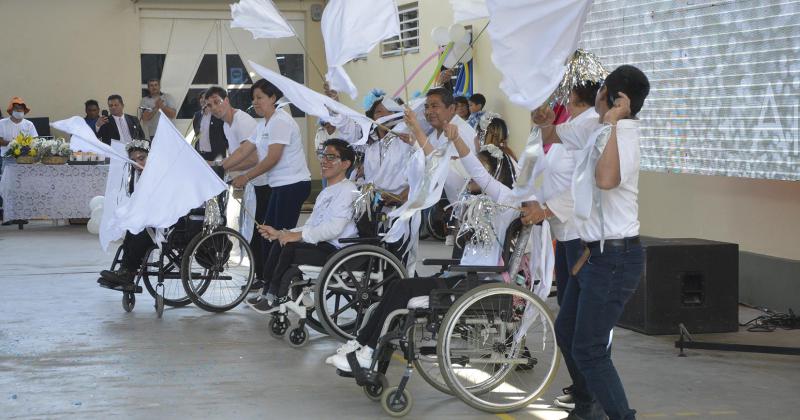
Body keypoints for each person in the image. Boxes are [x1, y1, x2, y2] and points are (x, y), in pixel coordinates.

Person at [327, 121, 518, 371]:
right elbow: (440, 166)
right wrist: (417, 135)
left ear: (496, 173)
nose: (472, 175)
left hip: (478, 283)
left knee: (401, 289)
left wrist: (458, 141)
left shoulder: (506, 202)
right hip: (460, 277)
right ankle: (363, 346)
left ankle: (368, 351)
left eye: (481, 169)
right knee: (397, 286)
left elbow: (476, 171)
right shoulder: (467, 198)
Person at [550, 65, 650, 420]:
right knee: (567, 329)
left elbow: (606, 180)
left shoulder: (622, 133)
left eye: (602, 88)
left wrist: (611, 122)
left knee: (591, 348)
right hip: (595, 254)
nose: (596, 92)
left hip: (615, 258)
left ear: (615, 98)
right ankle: (587, 405)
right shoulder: (600, 128)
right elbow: (560, 136)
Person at [524, 81, 603, 411]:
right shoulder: (569, 128)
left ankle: (591, 395)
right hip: (563, 232)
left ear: (577, 99)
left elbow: (581, 185)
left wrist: (545, 209)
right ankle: (584, 388)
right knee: (569, 325)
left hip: (580, 236)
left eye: (567, 96)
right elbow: (546, 168)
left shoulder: (589, 128)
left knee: (573, 326)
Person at [225, 79, 312, 304]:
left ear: (273, 98)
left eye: (260, 97)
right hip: (279, 186)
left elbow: (273, 158)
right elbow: (246, 149)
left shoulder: (281, 121)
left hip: (293, 185)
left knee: (279, 238)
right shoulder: (264, 124)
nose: (255, 102)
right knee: (266, 236)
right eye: (253, 98)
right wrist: (221, 166)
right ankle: (267, 286)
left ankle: (275, 291)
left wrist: (245, 177)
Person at [249, 139, 358, 313]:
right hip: (322, 244)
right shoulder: (326, 192)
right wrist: (280, 233)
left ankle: (277, 296)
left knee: (290, 246)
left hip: (337, 250)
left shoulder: (349, 190)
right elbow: (312, 225)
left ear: (346, 164)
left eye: (331, 157)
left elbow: (334, 229)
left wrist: (296, 236)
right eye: (323, 156)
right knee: (281, 242)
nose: (324, 161)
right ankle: (269, 293)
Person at [205, 85, 270, 290]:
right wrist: (223, 167)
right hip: (253, 183)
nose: (215, 108)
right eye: (209, 105)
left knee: (262, 233)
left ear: (227, 99)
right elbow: (237, 157)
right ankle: (259, 276)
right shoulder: (227, 126)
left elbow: (253, 158)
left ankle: (265, 278)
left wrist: (222, 167)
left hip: (266, 182)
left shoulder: (242, 121)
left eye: (217, 101)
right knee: (250, 232)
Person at [98, 140, 152, 287]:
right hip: (147, 217)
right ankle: (124, 270)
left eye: (142, 158)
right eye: (133, 160)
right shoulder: (135, 176)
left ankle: (127, 271)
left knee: (139, 231)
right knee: (131, 228)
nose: (137, 163)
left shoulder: (158, 175)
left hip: (165, 220)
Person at [192, 92, 228, 164]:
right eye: (201, 98)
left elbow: (225, 133)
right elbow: (196, 132)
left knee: (217, 173)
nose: (203, 99)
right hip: (201, 153)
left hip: (216, 155)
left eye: (205, 97)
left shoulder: (218, 114)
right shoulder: (197, 115)